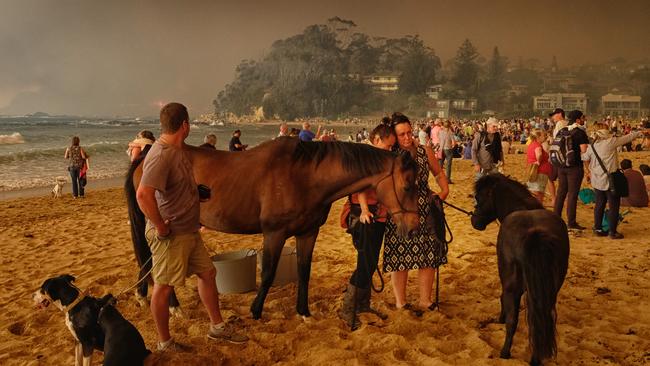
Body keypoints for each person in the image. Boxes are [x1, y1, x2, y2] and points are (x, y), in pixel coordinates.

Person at [136, 102, 247, 351]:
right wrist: (160, 227)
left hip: (189, 230)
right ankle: (165, 342)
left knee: (208, 274)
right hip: (171, 234)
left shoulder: (178, 150)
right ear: (184, 125)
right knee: (163, 287)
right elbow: (143, 195)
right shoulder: (161, 154)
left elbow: (173, 187)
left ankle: (217, 328)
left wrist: (195, 194)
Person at [383, 113, 449, 313]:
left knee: (428, 255)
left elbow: (438, 172)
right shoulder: (390, 155)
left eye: (409, 132)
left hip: (426, 208)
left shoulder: (423, 151)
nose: (406, 137)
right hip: (399, 213)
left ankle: (425, 300)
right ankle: (401, 302)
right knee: (399, 258)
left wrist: (444, 191)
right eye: (401, 134)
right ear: (394, 136)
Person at [339, 123, 396, 329]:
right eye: (388, 146)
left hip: (379, 215)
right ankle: (347, 308)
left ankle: (362, 305)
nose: (389, 151)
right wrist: (364, 211)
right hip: (363, 214)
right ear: (377, 139)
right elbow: (360, 185)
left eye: (392, 147)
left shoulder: (381, 158)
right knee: (364, 263)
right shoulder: (364, 156)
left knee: (370, 263)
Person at [583, 125, 646, 239]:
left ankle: (598, 229)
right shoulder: (610, 142)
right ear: (606, 133)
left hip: (597, 180)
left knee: (599, 204)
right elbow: (628, 138)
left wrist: (589, 171)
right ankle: (612, 232)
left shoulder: (592, 146)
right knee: (613, 205)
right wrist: (640, 132)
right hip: (610, 179)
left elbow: (585, 158)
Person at [553, 110, 590, 230]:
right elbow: (584, 152)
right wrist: (588, 169)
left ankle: (556, 218)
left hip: (561, 166)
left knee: (561, 193)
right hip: (575, 167)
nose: (584, 119)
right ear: (578, 120)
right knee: (572, 195)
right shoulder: (580, 132)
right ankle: (571, 222)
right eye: (582, 117)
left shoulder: (562, 130)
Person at [526, 129, 552, 204]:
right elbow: (539, 154)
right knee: (538, 192)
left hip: (532, 169)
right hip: (540, 171)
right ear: (538, 136)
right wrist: (538, 161)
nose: (545, 137)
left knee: (533, 190)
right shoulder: (538, 145)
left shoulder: (531, 144)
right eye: (543, 135)